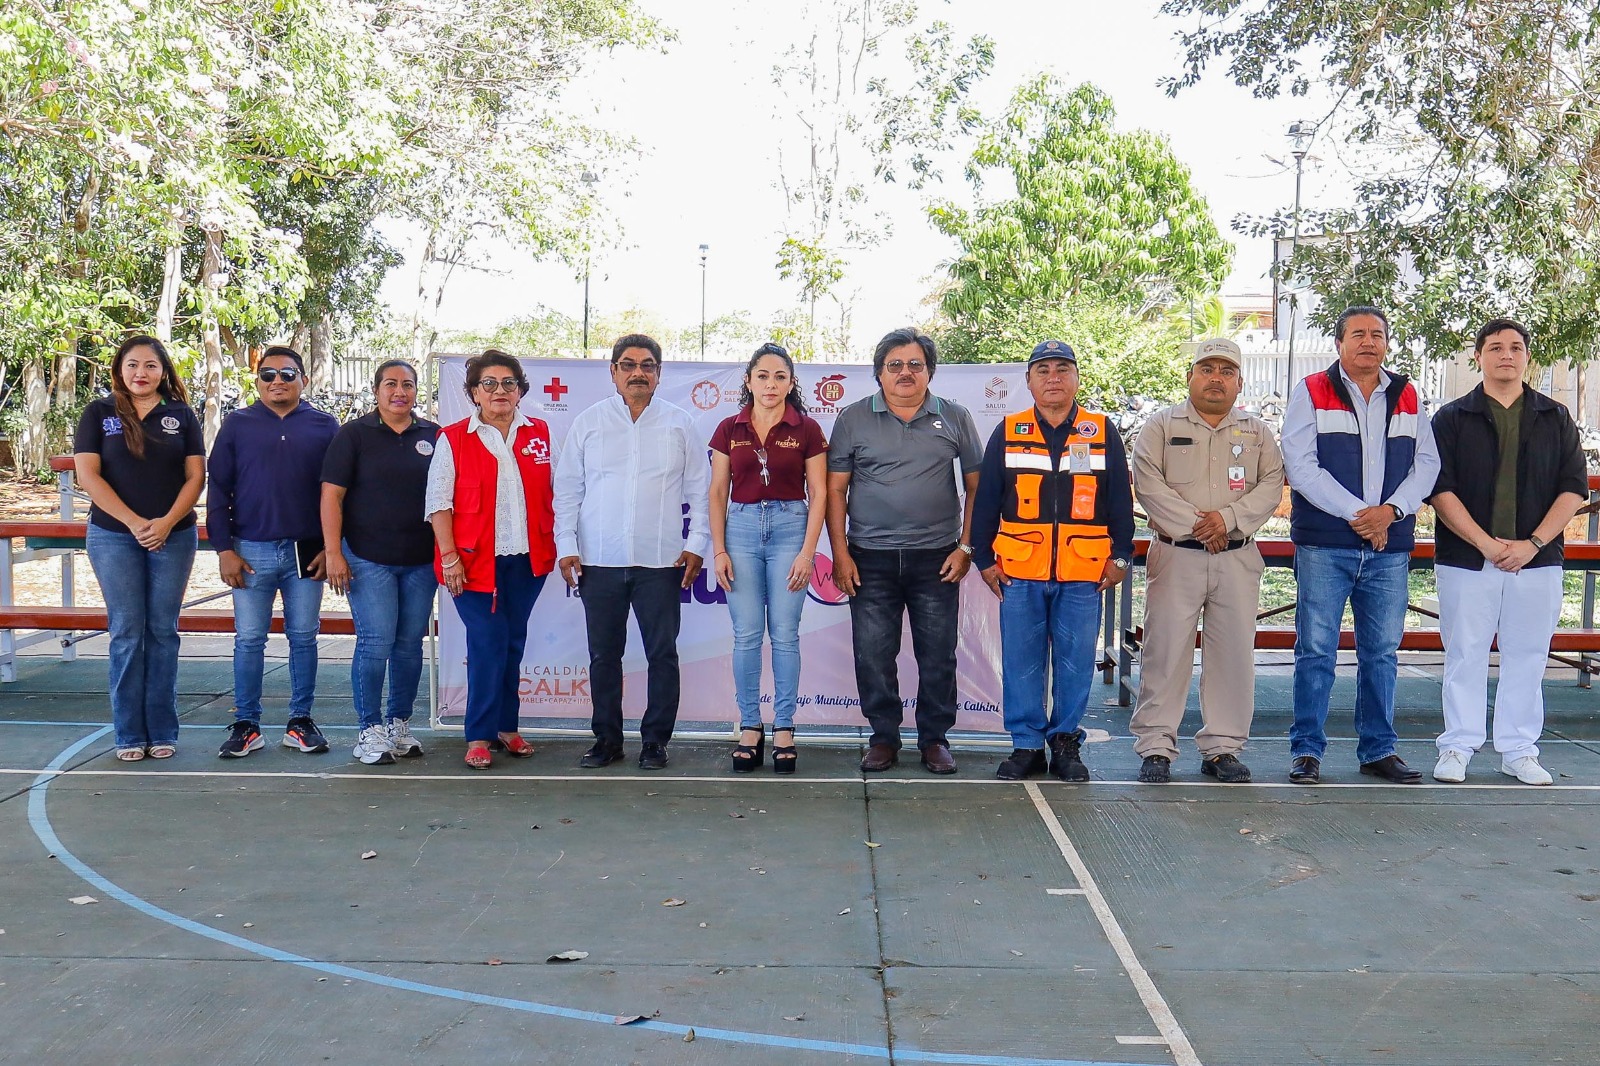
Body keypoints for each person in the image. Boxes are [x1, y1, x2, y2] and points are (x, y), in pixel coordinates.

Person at [1282, 306, 1441, 784]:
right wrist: (1360, 514)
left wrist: (1389, 513)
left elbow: (1427, 465)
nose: (1368, 342)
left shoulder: (1409, 394)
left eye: (1377, 334)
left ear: (1387, 343)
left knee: (1381, 653)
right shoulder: (1311, 390)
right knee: (1315, 650)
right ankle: (1307, 751)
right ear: (1339, 343)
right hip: (1325, 545)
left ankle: (1378, 750)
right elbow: (1301, 464)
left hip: (1388, 548)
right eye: (1358, 334)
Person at [1427, 318, 1587, 785]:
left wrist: (1532, 544)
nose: (1506, 355)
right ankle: (1457, 746)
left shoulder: (1554, 417)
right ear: (1477, 356)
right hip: (1466, 559)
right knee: (1465, 653)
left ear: (1527, 357)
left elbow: (1572, 488)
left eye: (1516, 347)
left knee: (1529, 653)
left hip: (1537, 561)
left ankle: (1518, 750)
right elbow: (1440, 488)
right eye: (1495, 347)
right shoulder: (1452, 418)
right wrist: (1486, 544)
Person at [970, 340, 1135, 782]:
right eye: (1043, 371)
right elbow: (986, 500)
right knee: (1022, 661)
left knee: (1076, 661)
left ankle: (1065, 743)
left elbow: (1120, 498)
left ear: (1077, 377)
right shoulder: (1009, 430)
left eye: (1062, 369)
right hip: (1019, 570)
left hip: (1083, 572)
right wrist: (983, 558)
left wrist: (1121, 555)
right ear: (1028, 381)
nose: (1053, 378)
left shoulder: (1101, 431)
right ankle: (1025, 746)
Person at [827, 327, 984, 775]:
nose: (905, 372)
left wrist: (967, 547)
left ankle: (935, 739)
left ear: (929, 372)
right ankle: (884, 738)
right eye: (894, 365)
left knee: (938, 653)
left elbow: (977, 487)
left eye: (915, 364)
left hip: (937, 557)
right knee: (874, 654)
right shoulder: (853, 418)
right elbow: (835, 490)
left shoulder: (954, 416)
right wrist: (840, 554)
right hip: (869, 558)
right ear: (879, 373)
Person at [1129, 338, 1284, 784]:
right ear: (1191, 375)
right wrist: (1203, 525)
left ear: (1238, 382)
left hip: (1237, 557)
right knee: (1165, 651)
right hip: (1177, 555)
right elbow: (1148, 482)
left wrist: (1229, 520)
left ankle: (1222, 748)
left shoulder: (1257, 432)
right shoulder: (1160, 425)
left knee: (1233, 654)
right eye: (1207, 368)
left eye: (1226, 371)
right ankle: (1156, 746)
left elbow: (1271, 483)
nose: (1216, 378)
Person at [555, 334, 711, 771]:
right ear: (614, 372)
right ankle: (606, 740)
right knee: (604, 656)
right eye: (628, 365)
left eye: (647, 365)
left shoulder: (680, 424)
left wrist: (696, 544)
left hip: (661, 562)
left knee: (662, 654)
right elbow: (567, 490)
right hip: (598, 561)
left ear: (659, 374)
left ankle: (656, 742)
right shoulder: (589, 422)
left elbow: (702, 491)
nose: (637, 372)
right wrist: (566, 545)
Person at [73, 335, 206, 761]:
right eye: (132, 365)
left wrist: (165, 523)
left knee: (162, 632)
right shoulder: (98, 413)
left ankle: (163, 730)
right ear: (119, 370)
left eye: (150, 365)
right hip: (114, 536)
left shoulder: (182, 415)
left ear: (163, 371)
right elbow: (88, 477)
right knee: (127, 632)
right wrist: (134, 523)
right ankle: (130, 734)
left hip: (174, 536)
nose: (141, 373)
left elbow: (195, 477)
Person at [425, 350, 556, 770]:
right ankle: (479, 734)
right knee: (487, 643)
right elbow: (438, 503)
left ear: (520, 391)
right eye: (490, 384)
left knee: (512, 644)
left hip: (526, 561)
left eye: (508, 384)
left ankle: (506, 726)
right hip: (470, 563)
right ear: (473, 393)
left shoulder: (540, 432)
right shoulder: (454, 437)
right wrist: (449, 557)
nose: (500, 391)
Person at [208, 345, 340, 759]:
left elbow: (338, 493)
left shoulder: (325, 426)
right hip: (250, 550)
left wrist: (329, 548)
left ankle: (300, 722)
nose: (277, 381)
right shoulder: (237, 424)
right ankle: (246, 724)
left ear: (304, 378)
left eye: (287, 374)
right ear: (257, 380)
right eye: (268, 375)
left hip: (306, 552)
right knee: (249, 639)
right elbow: (218, 490)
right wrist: (224, 549)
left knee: (304, 637)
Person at [708, 343, 828, 774]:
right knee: (745, 635)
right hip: (739, 529)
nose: (771, 384)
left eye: (780, 376)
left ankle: (784, 728)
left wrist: (807, 552)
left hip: (790, 528)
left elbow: (820, 496)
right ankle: (750, 726)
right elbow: (718, 491)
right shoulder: (729, 427)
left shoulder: (808, 429)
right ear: (749, 380)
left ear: (791, 383)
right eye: (762, 375)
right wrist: (719, 548)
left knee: (784, 635)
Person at [321, 360, 440, 765]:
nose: (399, 392)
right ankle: (369, 729)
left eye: (408, 384)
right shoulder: (353, 435)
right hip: (368, 559)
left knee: (409, 646)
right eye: (391, 384)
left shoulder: (435, 436)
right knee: (376, 643)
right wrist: (334, 552)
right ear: (376, 391)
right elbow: (331, 496)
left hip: (421, 562)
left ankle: (398, 724)